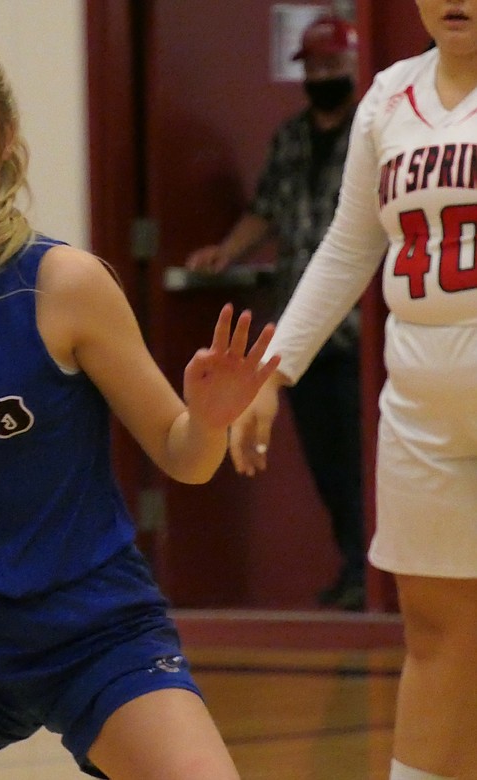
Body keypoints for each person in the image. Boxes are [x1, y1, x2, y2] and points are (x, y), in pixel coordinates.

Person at [0, 30, 280, 780]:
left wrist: (211, 418)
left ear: (5, 143)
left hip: (94, 632)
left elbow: (183, 456)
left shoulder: (62, 284)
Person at [231, 1, 477, 778]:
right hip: (420, 394)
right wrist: (276, 369)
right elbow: (348, 244)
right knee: (436, 634)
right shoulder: (387, 96)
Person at [185, 13, 366, 611]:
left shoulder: (373, 126)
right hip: (302, 331)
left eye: (331, 64)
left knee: (367, 460)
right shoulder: (289, 139)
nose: (322, 75)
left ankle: (374, 575)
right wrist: (226, 250)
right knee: (328, 462)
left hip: (366, 332)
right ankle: (353, 567)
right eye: (312, 66)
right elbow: (264, 210)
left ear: (353, 65)